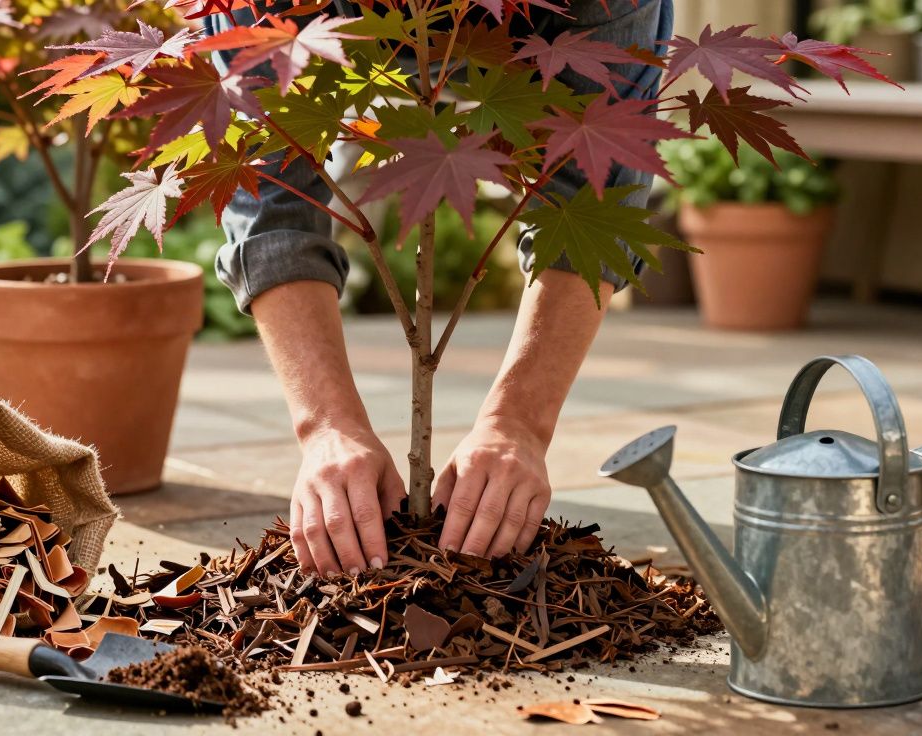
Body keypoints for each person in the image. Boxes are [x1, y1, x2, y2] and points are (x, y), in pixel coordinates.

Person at [204, 0, 674, 575]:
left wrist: (520, 424)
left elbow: (596, 195)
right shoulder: (252, 9)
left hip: (535, 42)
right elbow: (269, 198)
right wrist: (325, 425)